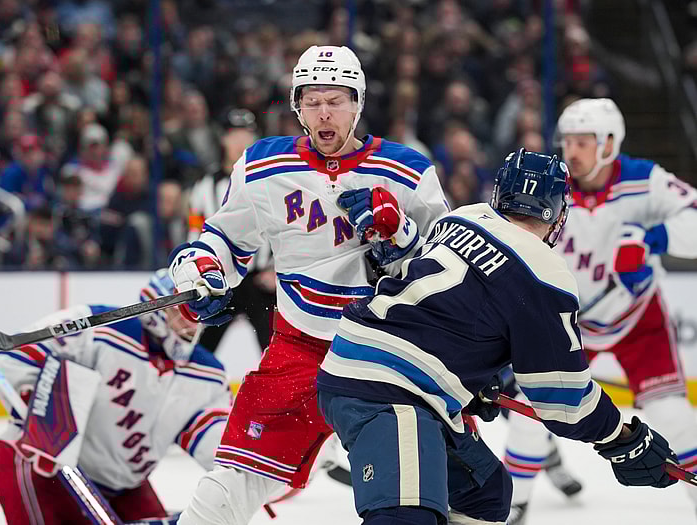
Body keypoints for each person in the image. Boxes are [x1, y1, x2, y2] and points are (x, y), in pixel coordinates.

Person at [317, 148, 681, 525]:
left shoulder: (460, 218)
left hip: (363, 362)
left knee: (485, 495)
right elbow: (564, 397)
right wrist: (621, 437)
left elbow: (443, 307)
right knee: (406, 517)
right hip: (392, 391)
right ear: (557, 212)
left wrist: (471, 376)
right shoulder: (544, 273)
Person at [167, 45, 450, 524]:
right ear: (297, 106)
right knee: (227, 484)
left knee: (424, 499)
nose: (324, 112)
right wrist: (199, 268)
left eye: (335, 99)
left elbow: (447, 266)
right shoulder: (262, 167)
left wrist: (401, 235)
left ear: (357, 104)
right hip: (299, 349)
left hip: (391, 355)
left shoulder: (407, 171)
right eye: (312, 99)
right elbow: (221, 238)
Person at [502, 98, 697, 524]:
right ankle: (513, 501)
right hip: (568, 322)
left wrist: (653, 238)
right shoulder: (551, 184)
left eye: (583, 142)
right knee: (532, 411)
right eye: (567, 141)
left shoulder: (645, 181)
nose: (571, 152)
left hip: (637, 320)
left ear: (609, 143)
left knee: (675, 418)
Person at [0, 269, 230, 524]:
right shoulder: (101, 328)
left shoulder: (208, 375)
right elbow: (17, 356)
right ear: (157, 306)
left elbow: (220, 443)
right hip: (42, 467)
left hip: (123, 487)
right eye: (180, 312)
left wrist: (247, 472)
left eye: (196, 315)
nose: (191, 323)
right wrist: (39, 408)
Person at [187, 126, 276, 354]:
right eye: (234, 134)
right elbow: (195, 232)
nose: (240, 140)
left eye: (246, 134)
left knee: (276, 352)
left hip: (261, 280)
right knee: (199, 350)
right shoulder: (205, 186)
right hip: (220, 280)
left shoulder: (271, 179)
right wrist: (197, 271)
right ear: (224, 139)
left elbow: (284, 227)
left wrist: (278, 268)